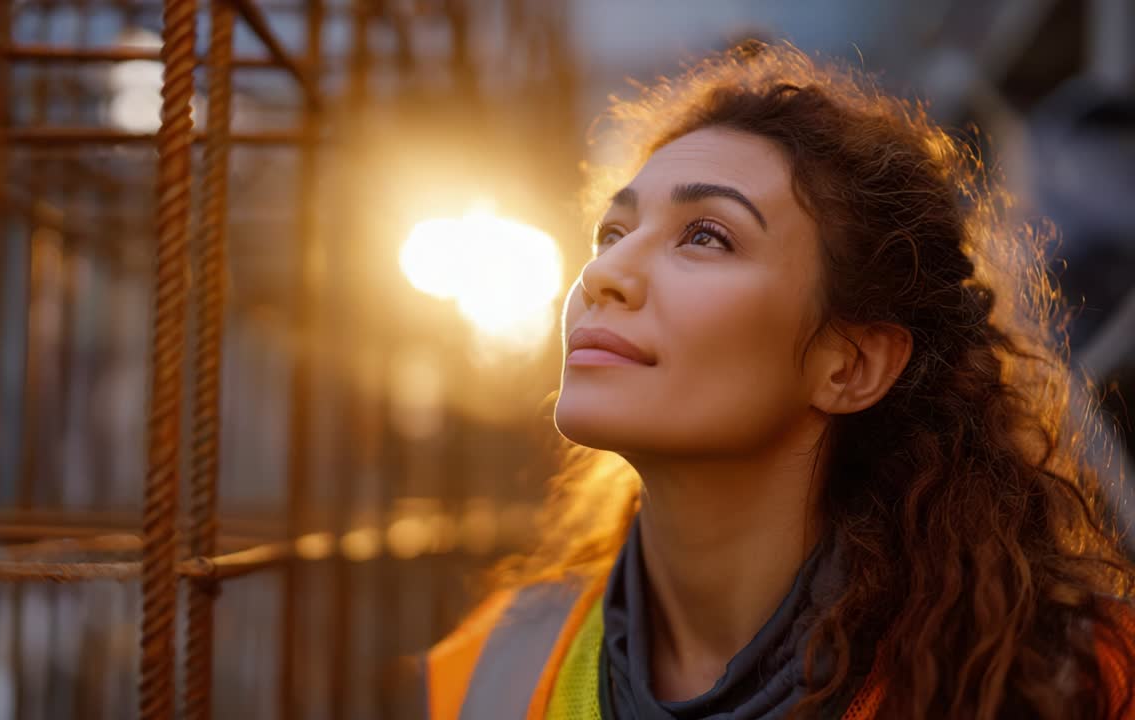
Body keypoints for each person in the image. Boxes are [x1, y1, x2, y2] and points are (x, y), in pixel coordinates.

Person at [421, 41, 1135, 720]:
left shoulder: (1082, 687)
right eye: (612, 234)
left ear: (850, 366)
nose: (603, 274)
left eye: (706, 235)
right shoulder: (489, 668)